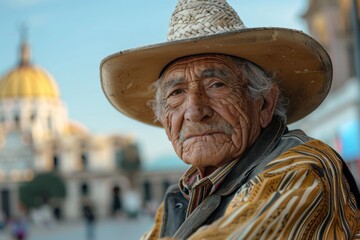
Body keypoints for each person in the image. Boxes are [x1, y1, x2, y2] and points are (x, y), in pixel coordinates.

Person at [100, 0, 360, 239]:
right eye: (176, 92)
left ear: (265, 103)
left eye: (216, 85)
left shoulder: (301, 168)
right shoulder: (182, 195)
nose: (194, 111)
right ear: (164, 120)